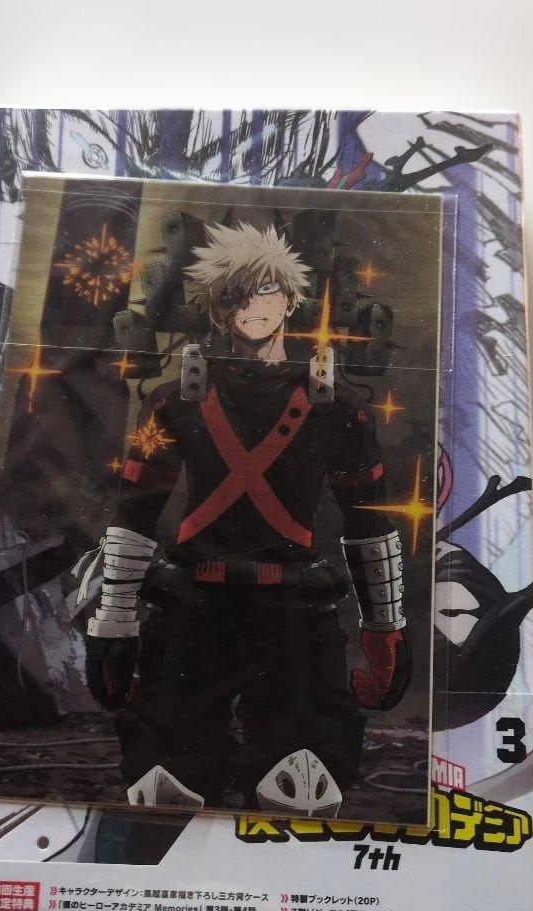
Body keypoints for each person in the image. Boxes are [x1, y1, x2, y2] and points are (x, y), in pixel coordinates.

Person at [82, 221, 411, 815]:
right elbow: (135, 515)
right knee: (164, 786)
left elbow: (369, 523)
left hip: (296, 613)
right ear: (215, 307)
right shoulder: (174, 402)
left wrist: (385, 627)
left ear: (290, 300)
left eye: (266, 289)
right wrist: (114, 622)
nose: (252, 305)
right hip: (194, 608)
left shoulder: (336, 408)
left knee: (304, 785)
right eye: (234, 294)